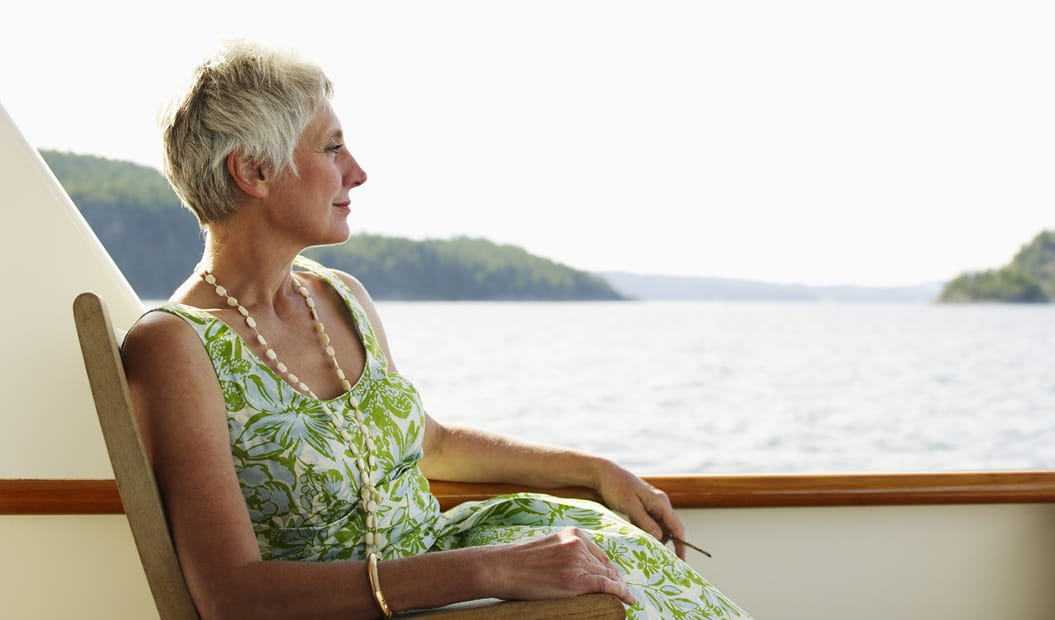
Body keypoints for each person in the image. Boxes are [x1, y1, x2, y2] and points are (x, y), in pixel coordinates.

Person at [122, 40, 750, 620]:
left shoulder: (338, 296)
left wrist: (595, 471)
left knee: (637, 571)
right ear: (254, 171)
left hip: (449, 570)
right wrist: (491, 568)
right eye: (332, 149)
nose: (357, 172)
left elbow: (433, 444)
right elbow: (231, 595)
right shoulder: (176, 345)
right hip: (415, 600)